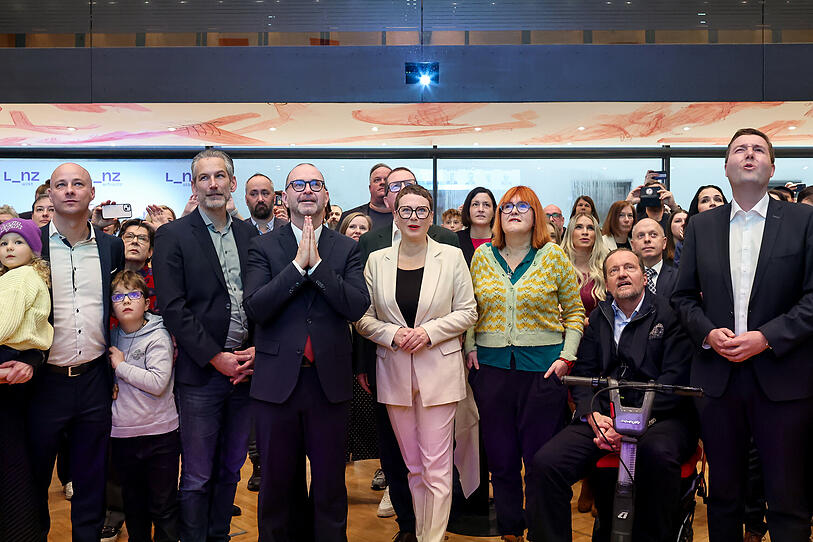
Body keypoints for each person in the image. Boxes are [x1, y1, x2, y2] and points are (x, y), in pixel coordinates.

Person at [672, 128, 813, 541]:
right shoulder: (701, 226)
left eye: (758, 150)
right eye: (739, 149)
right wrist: (707, 334)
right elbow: (682, 298)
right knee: (724, 497)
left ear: (771, 166)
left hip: (784, 376)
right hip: (719, 378)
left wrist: (766, 337)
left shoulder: (804, 221)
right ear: (727, 166)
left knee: (788, 499)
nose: (748, 155)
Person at [528, 248, 697, 542]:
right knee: (545, 465)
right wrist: (591, 415)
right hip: (604, 416)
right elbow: (583, 375)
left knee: (656, 456)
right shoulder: (599, 319)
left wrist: (631, 425)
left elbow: (676, 379)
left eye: (629, 267)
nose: (622, 274)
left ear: (644, 278)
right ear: (606, 284)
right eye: (613, 271)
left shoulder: (670, 316)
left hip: (662, 416)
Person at [243, 163, 370, 542]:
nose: (308, 190)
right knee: (278, 485)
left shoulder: (346, 248)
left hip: (328, 383)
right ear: (286, 197)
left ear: (326, 195)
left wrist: (318, 267)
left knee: (331, 483)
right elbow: (257, 306)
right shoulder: (262, 246)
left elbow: (355, 306)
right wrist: (298, 266)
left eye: (315, 184)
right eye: (298, 184)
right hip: (276, 383)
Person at [357, 184, 478, 542]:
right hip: (394, 372)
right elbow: (363, 318)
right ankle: (422, 532)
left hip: (439, 372)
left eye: (421, 210)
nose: (413, 217)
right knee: (412, 468)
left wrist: (428, 332)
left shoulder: (451, 256)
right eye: (406, 210)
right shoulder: (377, 260)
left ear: (431, 215)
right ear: (395, 215)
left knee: (437, 469)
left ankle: (433, 538)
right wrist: (393, 334)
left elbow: (468, 311)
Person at [465, 186, 584, 542]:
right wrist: (470, 345)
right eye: (507, 206)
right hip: (490, 370)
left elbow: (576, 312)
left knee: (538, 461)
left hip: (543, 373)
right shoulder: (483, 256)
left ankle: (541, 531)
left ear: (536, 216)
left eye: (523, 206)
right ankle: (510, 529)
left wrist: (567, 356)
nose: (514, 211)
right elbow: (470, 309)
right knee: (500, 460)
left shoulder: (552, 256)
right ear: (499, 216)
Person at [153, 149, 258, 541]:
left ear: (232, 183)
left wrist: (253, 353)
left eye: (220, 177)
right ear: (194, 185)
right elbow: (173, 307)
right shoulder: (173, 235)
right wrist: (216, 358)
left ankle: (219, 536)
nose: (212, 184)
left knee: (232, 468)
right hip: (201, 375)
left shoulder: (249, 234)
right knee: (196, 474)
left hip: (245, 372)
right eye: (204, 178)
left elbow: (260, 298)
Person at [25, 162, 125, 541]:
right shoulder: (31, 245)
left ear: (91, 193)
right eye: (60, 185)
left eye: (77, 184)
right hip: (41, 382)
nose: (69, 190)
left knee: (92, 475)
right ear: (49, 195)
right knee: (34, 477)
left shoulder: (111, 246)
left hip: (94, 380)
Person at [108, 270, 179, 542]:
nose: (126, 300)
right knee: (134, 507)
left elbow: (158, 382)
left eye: (134, 294)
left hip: (160, 436)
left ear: (147, 303)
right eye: (119, 296)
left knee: (163, 507)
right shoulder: (111, 337)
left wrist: (121, 366)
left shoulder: (157, 335)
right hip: (124, 435)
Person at [0, 218, 52, 542]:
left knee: (10, 461)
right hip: (22, 372)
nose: (9, 248)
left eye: (18, 242)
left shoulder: (17, 279)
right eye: (4, 243)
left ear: (33, 249)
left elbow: (3, 327)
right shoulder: (31, 276)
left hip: (8, 366)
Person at [561, 212, 607, 317]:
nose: (585, 232)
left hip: (597, 330)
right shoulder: (558, 267)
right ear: (570, 233)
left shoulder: (605, 268)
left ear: (596, 234)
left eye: (590, 228)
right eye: (579, 227)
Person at [630, 218, 678, 299]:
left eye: (653, 235)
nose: (647, 239)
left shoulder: (678, 277)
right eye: (641, 236)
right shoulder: (626, 279)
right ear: (633, 245)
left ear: (664, 242)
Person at [339, 163, 393, 231]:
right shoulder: (348, 218)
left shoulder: (405, 217)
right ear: (370, 188)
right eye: (377, 180)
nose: (382, 182)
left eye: (386, 180)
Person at [118, 219, 157, 311]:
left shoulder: (159, 281)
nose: (135, 241)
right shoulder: (107, 275)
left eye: (142, 238)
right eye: (129, 236)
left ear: (150, 252)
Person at [457, 187, 497, 266]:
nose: (481, 209)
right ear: (468, 210)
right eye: (475, 204)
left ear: (494, 211)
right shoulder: (455, 239)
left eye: (486, 205)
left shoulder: (502, 241)